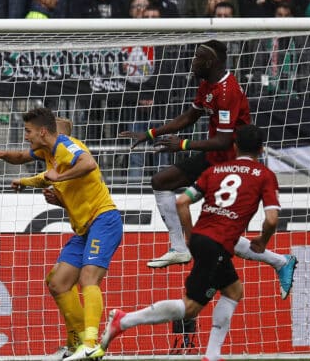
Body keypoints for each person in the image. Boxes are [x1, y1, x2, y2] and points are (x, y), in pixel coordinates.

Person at [118, 40, 297, 301]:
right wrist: (149, 133)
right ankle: (180, 248)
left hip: (234, 165)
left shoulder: (228, 91)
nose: (192, 63)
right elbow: (189, 117)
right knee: (160, 181)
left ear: (210, 62)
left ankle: (280, 262)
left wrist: (182, 145)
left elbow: (225, 140)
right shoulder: (207, 85)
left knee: (218, 235)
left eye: (196, 59)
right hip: (214, 158)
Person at [101, 124, 281, 361]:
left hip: (201, 238)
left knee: (234, 291)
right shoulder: (265, 175)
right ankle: (123, 320)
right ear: (261, 149)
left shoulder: (216, 170)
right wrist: (262, 240)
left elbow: (181, 202)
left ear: (234, 146)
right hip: (217, 245)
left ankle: (212, 355)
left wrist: (188, 236)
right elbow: (271, 219)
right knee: (190, 307)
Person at [0, 107, 123, 361]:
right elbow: (29, 162)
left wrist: (59, 176)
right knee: (57, 282)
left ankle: (91, 343)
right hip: (84, 228)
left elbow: (88, 163)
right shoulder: (47, 152)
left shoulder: (67, 147)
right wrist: (4, 158)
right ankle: (77, 342)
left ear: (43, 132)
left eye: (28, 131)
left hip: (104, 219)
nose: (25, 136)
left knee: (88, 278)